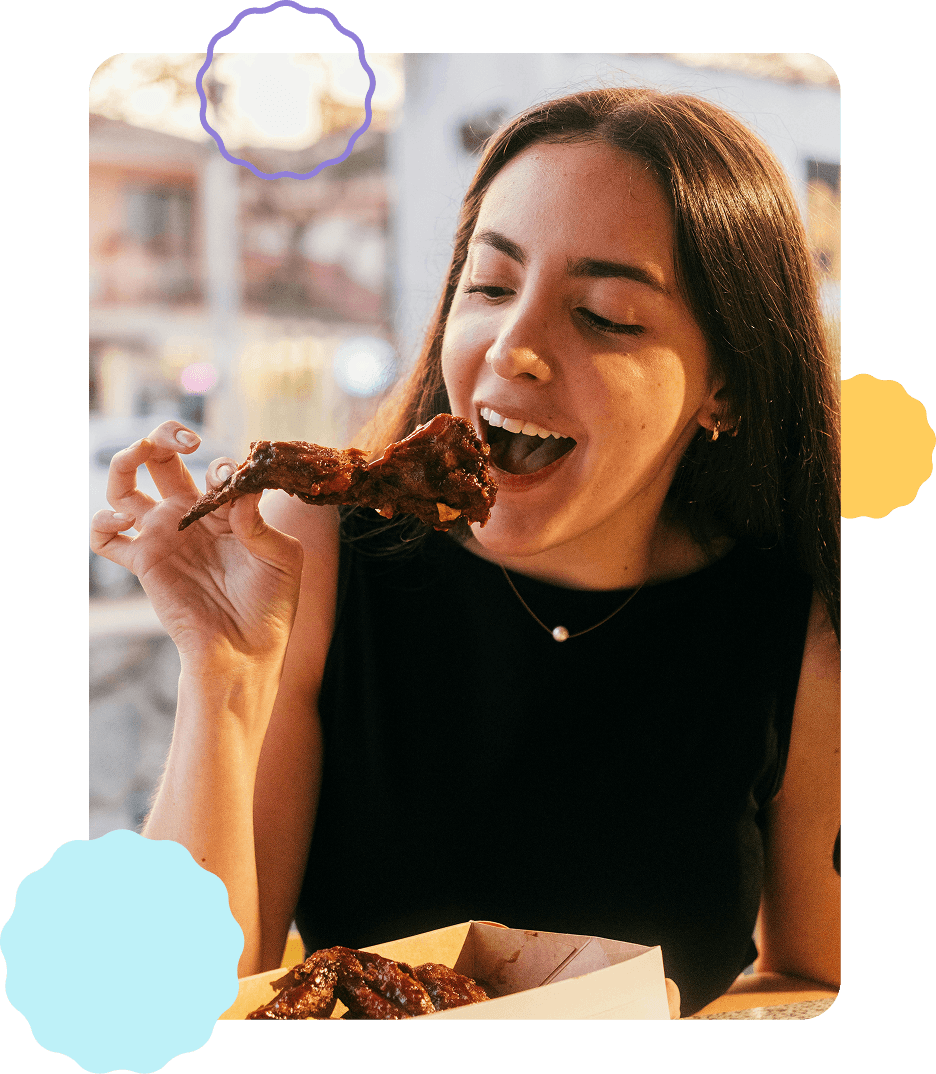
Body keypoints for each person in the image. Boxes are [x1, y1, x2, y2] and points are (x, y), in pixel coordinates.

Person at [90, 88, 840, 1018]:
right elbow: (165, 1008)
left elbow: (827, 979)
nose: (512, 344)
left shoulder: (790, 625)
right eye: (488, 286)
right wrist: (224, 674)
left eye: (605, 314)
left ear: (723, 387)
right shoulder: (316, 555)